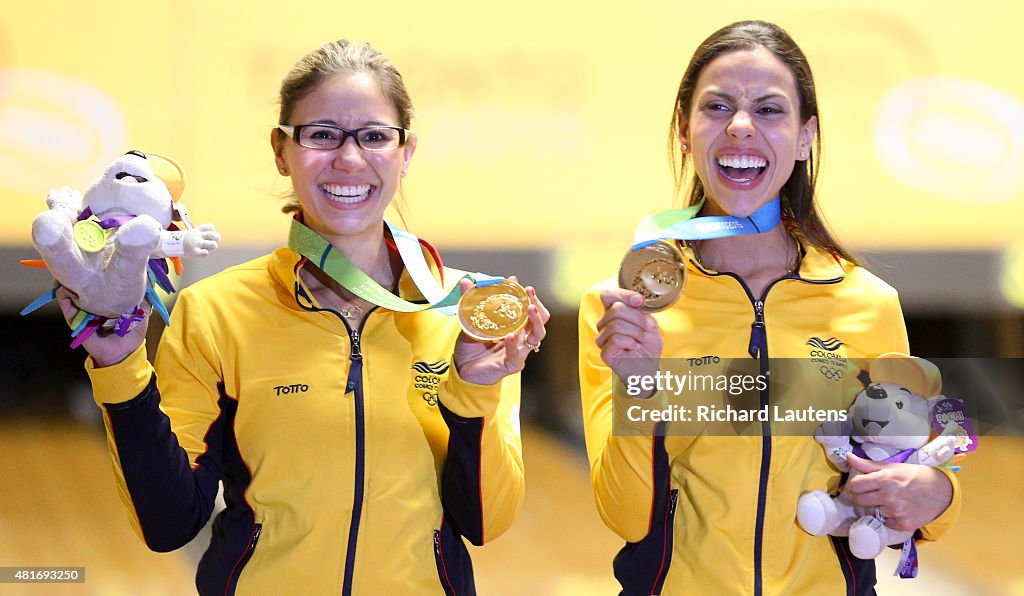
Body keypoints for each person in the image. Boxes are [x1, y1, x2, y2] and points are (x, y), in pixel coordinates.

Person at [62, 39, 549, 595]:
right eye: (322, 135)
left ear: (405, 151)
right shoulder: (215, 313)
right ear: (281, 149)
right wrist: (119, 365)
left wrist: (477, 387)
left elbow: (487, 522)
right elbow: (169, 524)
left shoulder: (465, 312)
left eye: (373, 136)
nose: (348, 158)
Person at [578, 20, 960, 595]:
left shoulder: (868, 304)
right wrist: (641, 387)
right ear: (685, 129)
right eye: (717, 106)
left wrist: (941, 495)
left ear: (806, 136)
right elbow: (628, 517)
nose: (740, 126)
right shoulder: (624, 310)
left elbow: (910, 467)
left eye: (769, 109)